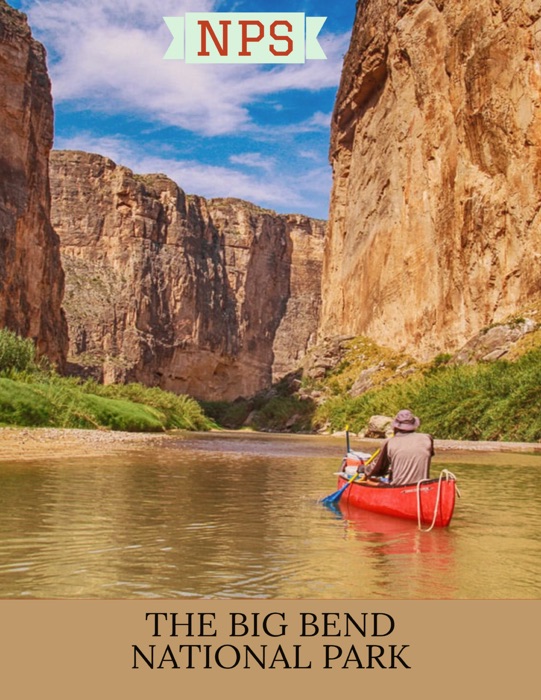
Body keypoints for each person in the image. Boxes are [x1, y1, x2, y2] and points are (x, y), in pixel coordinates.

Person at [364, 409, 434, 486]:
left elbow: (378, 470)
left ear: (395, 428)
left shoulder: (389, 442)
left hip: (398, 488)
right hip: (422, 487)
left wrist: (364, 469)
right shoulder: (427, 438)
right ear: (414, 426)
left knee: (371, 481)